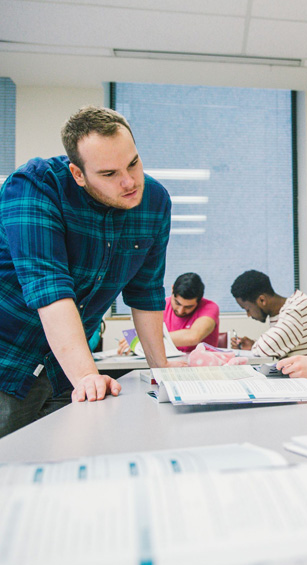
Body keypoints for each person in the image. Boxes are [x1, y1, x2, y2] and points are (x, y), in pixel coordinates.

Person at [0, 105, 182, 437]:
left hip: (65, 369)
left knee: (65, 474)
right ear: (78, 174)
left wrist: (163, 370)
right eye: (109, 174)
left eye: (133, 163)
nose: (129, 182)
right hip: (8, 359)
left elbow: (146, 291)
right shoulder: (34, 185)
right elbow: (49, 285)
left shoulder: (154, 201)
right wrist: (86, 375)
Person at [117, 272, 220, 354]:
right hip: (169, 364)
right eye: (177, 303)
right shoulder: (160, 306)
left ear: (200, 299)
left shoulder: (210, 307)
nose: (180, 311)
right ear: (172, 289)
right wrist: (137, 343)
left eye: (188, 307)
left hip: (201, 367)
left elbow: (193, 337)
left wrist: (146, 338)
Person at [229, 270, 307, 360]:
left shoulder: (297, 307)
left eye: (248, 309)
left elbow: (265, 349)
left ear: (262, 300)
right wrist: (253, 344)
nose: (248, 315)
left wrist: (254, 347)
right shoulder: (281, 314)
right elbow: (275, 345)